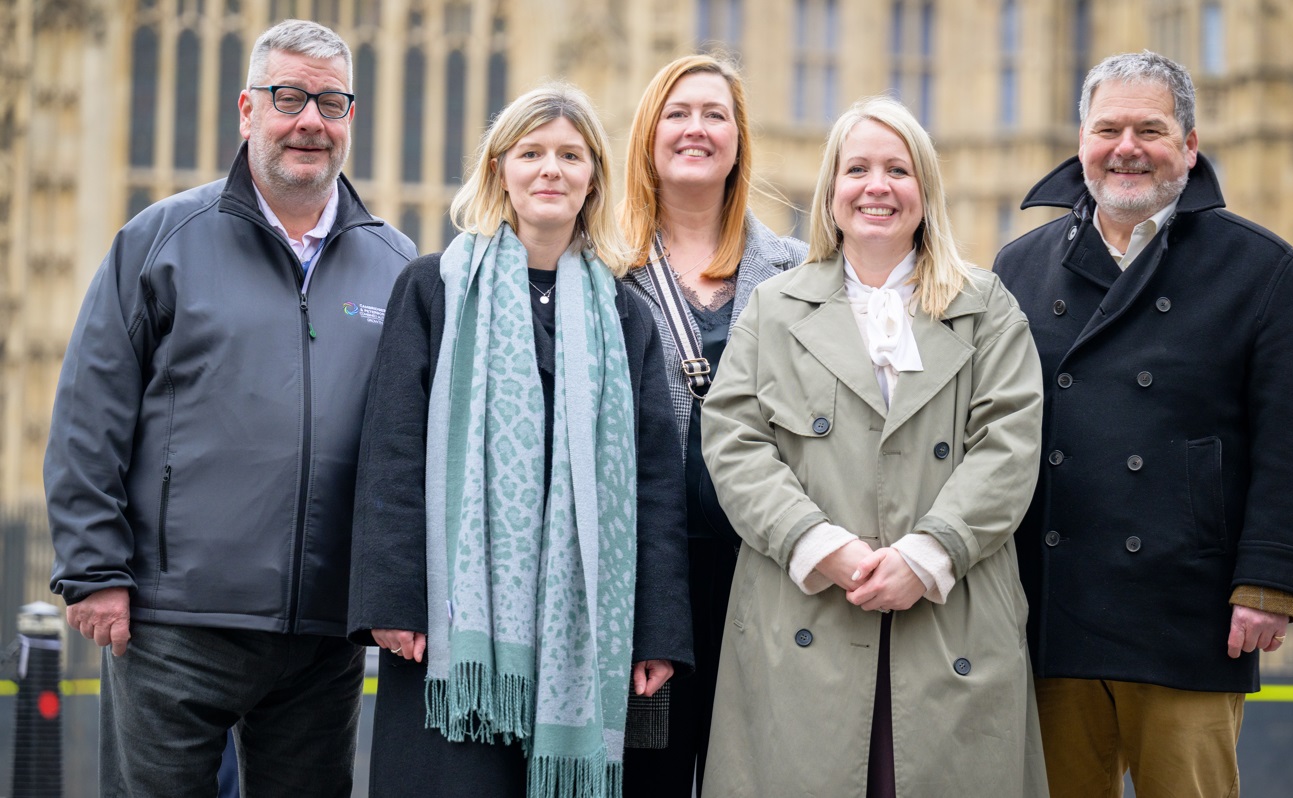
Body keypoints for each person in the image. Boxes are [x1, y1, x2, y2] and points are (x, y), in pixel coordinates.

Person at [43, 19, 415, 797]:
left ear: (351, 119)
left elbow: (415, 447)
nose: (309, 119)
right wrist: (93, 570)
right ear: (247, 110)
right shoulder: (161, 239)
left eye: (330, 102)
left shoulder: (397, 267)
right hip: (173, 619)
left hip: (322, 633)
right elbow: (89, 412)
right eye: (288, 97)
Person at [346, 81, 694, 798]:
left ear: (593, 176)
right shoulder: (432, 289)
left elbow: (655, 485)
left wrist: (658, 630)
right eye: (531, 152)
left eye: (570, 155)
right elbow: (391, 454)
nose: (550, 170)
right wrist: (391, 600)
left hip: (582, 629)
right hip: (449, 633)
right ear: (499, 169)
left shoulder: (625, 317)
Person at [993, 51, 1293, 797]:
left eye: (1150, 128)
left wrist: (1268, 583)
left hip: (1189, 611)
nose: (1126, 147)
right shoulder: (1017, 268)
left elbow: (1290, 439)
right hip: (1052, 611)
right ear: (1081, 140)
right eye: (1107, 128)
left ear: (1189, 145)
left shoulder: (1260, 266)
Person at [700, 95, 1048, 797]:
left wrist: (927, 555)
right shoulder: (772, 307)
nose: (876, 187)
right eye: (855, 169)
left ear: (925, 191)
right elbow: (733, 440)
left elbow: (1007, 444)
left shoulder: (987, 306)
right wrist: (819, 545)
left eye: (897, 169)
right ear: (831, 193)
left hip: (950, 610)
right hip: (804, 607)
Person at [617, 54, 806, 796]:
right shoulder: (600, 269)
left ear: (738, 138)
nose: (696, 129)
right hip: (644, 582)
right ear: (648, 135)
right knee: (645, 774)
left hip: (766, 575)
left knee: (759, 775)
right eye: (677, 113)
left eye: (714, 114)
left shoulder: (797, 272)